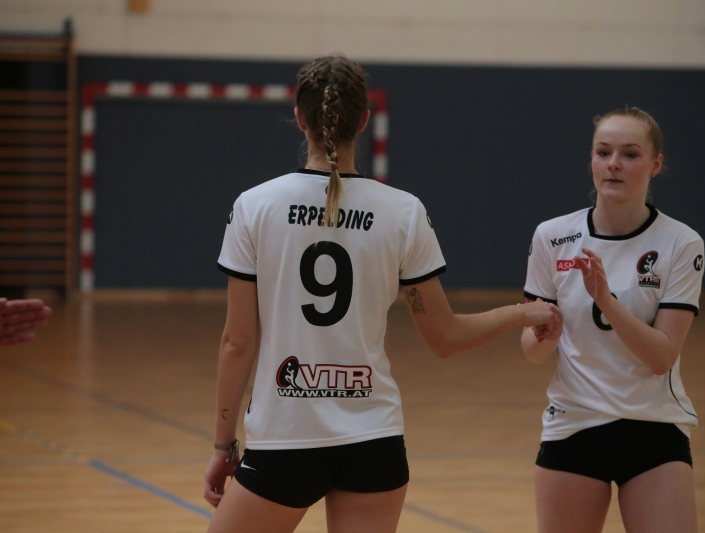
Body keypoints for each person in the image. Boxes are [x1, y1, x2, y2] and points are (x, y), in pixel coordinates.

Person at [203, 55, 561, 533]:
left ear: (300, 117)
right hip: (374, 441)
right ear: (364, 121)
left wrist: (223, 443)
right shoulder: (403, 212)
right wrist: (521, 313)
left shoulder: (255, 206)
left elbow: (237, 343)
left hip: (287, 438)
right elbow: (446, 337)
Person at [521, 107, 705, 533]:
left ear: (655, 164)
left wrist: (605, 300)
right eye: (603, 152)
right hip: (574, 425)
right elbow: (532, 353)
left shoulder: (681, 242)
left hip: (653, 427)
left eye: (630, 154)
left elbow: (661, 357)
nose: (614, 164)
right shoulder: (552, 236)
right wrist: (545, 334)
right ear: (591, 160)